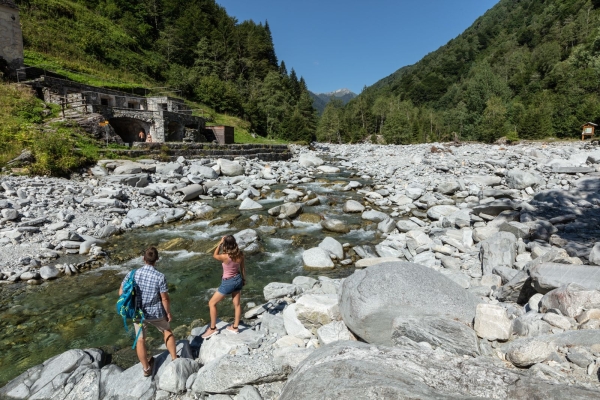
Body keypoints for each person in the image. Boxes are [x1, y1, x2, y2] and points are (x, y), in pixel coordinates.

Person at [119, 247, 177, 377]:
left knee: (140, 340)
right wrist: (167, 313)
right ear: (157, 259)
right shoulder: (160, 276)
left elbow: (121, 292)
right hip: (155, 312)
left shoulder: (132, 274)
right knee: (167, 331)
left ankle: (146, 368)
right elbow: (164, 298)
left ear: (143, 259)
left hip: (138, 313)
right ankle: (174, 359)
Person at [202, 235, 246, 339]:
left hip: (228, 283)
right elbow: (243, 268)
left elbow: (214, 255)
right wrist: (243, 279)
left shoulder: (224, 256)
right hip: (238, 279)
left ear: (225, 244)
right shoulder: (240, 254)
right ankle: (235, 327)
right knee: (237, 304)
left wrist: (220, 243)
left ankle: (212, 329)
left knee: (211, 303)